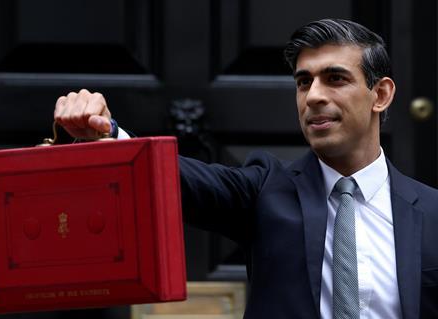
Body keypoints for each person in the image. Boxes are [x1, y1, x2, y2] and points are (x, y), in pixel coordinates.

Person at [54, 19, 438, 319]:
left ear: (381, 95)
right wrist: (107, 135)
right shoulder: (265, 189)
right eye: (304, 82)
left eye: (335, 79)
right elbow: (173, 179)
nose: (314, 96)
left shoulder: (432, 212)